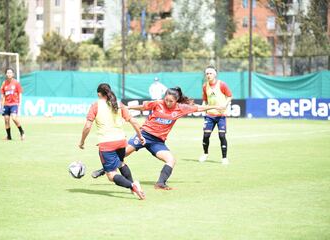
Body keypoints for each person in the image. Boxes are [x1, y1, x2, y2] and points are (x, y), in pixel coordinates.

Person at [91, 87, 223, 190]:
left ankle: (160, 183)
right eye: (166, 99)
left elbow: (199, 108)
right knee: (122, 154)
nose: (168, 102)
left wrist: (216, 107)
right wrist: (127, 107)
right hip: (144, 135)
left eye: (171, 101)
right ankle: (105, 170)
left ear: (176, 101)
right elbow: (143, 107)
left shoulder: (181, 108)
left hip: (158, 141)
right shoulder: (158, 103)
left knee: (171, 160)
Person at [78, 83, 146, 200]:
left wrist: (82, 141)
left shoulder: (96, 105)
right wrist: (140, 136)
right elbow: (133, 121)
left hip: (106, 143)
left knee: (111, 175)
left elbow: (88, 126)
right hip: (121, 141)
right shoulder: (119, 104)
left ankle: (132, 185)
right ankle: (133, 187)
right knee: (120, 163)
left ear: (99, 94)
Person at [199, 66, 232, 164]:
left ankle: (224, 158)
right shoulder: (205, 86)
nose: (209, 75)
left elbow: (229, 96)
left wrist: (225, 105)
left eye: (210, 73)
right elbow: (205, 100)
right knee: (206, 135)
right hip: (209, 115)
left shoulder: (222, 84)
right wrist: (202, 108)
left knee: (222, 135)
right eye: (207, 74)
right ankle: (205, 154)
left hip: (221, 115)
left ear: (215, 74)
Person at [0, 68, 25, 140]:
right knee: (6, 120)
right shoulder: (4, 83)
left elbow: (20, 93)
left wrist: (20, 103)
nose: (9, 74)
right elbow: (2, 95)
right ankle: (9, 136)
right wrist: (0, 105)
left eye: (10, 73)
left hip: (14, 104)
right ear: (6, 74)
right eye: (8, 73)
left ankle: (21, 131)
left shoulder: (16, 83)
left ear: (13, 74)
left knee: (14, 118)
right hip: (6, 104)